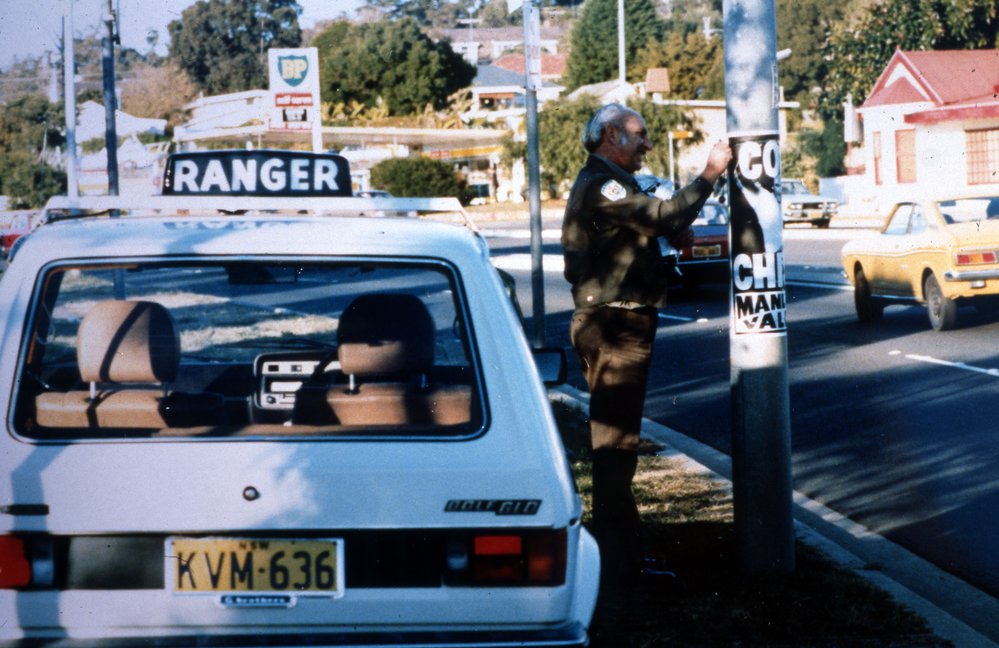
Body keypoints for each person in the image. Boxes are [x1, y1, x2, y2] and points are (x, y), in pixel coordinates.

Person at [561, 103, 731, 621]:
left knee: (618, 451)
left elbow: (653, 226)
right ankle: (616, 572)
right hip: (615, 325)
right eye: (639, 136)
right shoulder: (604, 185)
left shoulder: (611, 185)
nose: (647, 145)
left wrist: (666, 235)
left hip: (617, 322)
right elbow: (658, 215)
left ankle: (623, 560)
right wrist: (709, 173)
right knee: (615, 454)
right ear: (611, 135)